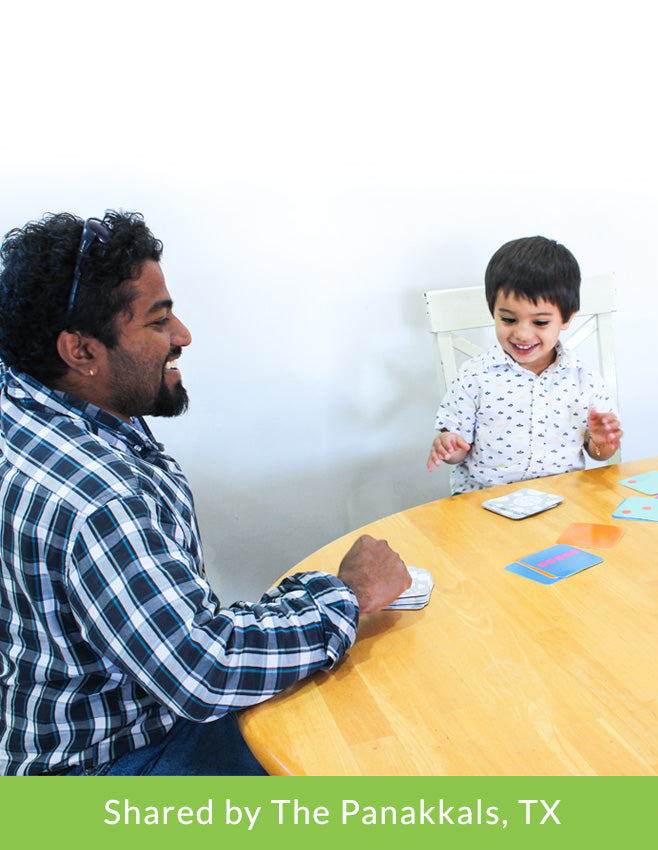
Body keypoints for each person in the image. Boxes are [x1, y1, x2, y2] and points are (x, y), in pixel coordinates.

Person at [0, 210, 411, 776]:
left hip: (64, 727)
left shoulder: (25, 398)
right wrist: (349, 594)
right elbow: (204, 670)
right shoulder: (97, 498)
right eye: (157, 321)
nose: (183, 336)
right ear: (81, 351)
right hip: (110, 767)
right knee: (369, 769)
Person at [427, 235, 623, 494]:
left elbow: (599, 455)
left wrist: (601, 442)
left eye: (540, 323)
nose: (522, 334)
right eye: (508, 319)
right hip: (484, 503)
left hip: (561, 502)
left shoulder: (583, 379)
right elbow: (456, 455)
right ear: (493, 311)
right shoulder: (475, 376)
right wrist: (447, 445)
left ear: (566, 318)